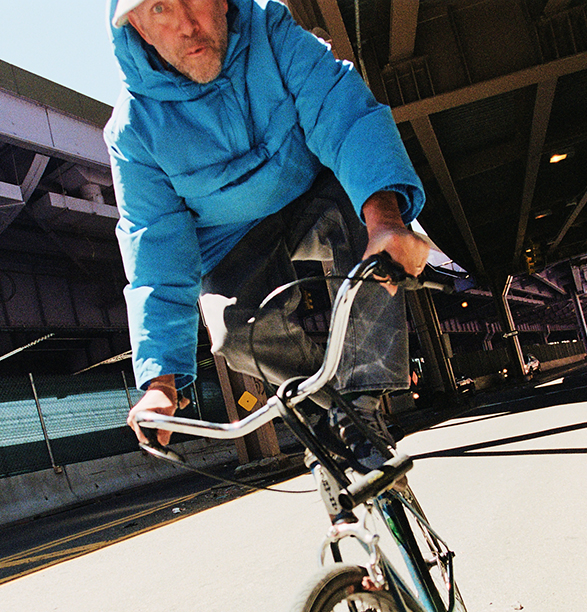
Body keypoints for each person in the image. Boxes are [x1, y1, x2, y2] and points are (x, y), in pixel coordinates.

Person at [104, 0, 431, 464]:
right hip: (230, 236)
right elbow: (154, 250)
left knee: (373, 245)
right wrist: (161, 384)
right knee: (236, 335)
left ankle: (361, 403)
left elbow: (342, 111)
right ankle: (328, 414)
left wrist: (386, 223)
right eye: (159, 8)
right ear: (137, 25)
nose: (187, 26)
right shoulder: (134, 132)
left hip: (311, 188)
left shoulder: (271, 32)